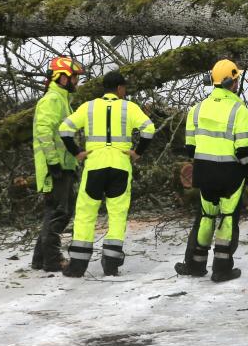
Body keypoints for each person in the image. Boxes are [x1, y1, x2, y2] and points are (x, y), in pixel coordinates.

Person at [58, 70, 155, 277]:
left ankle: (77, 266)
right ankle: (110, 264)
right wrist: (137, 152)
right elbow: (149, 129)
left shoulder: (88, 107)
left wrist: (77, 152)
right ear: (120, 88)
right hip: (120, 166)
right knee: (117, 215)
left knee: (85, 214)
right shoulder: (129, 107)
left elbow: (65, 129)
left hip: (94, 166)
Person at [174, 59, 248, 283]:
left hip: (204, 172)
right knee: (228, 218)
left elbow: (190, 148)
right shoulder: (239, 110)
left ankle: (195, 265)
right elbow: (243, 150)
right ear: (232, 82)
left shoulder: (197, 109)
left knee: (206, 216)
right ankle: (221, 269)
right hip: (231, 174)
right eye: (236, 79)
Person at [31, 56, 86, 272]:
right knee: (59, 212)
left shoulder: (62, 100)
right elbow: (44, 132)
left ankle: (40, 259)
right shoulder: (52, 100)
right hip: (57, 167)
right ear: (62, 78)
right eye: (74, 78)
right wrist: (54, 162)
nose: (76, 82)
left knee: (55, 210)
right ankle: (52, 260)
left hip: (64, 165)